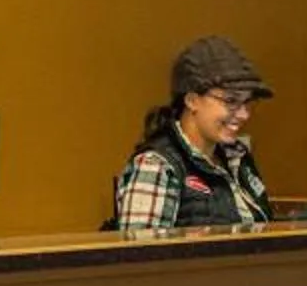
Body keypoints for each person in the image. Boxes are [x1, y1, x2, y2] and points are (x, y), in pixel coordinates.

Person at [114, 35, 275, 233]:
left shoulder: (237, 158)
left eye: (247, 103)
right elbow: (140, 258)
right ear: (192, 100)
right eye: (231, 101)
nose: (243, 115)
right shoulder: (156, 166)